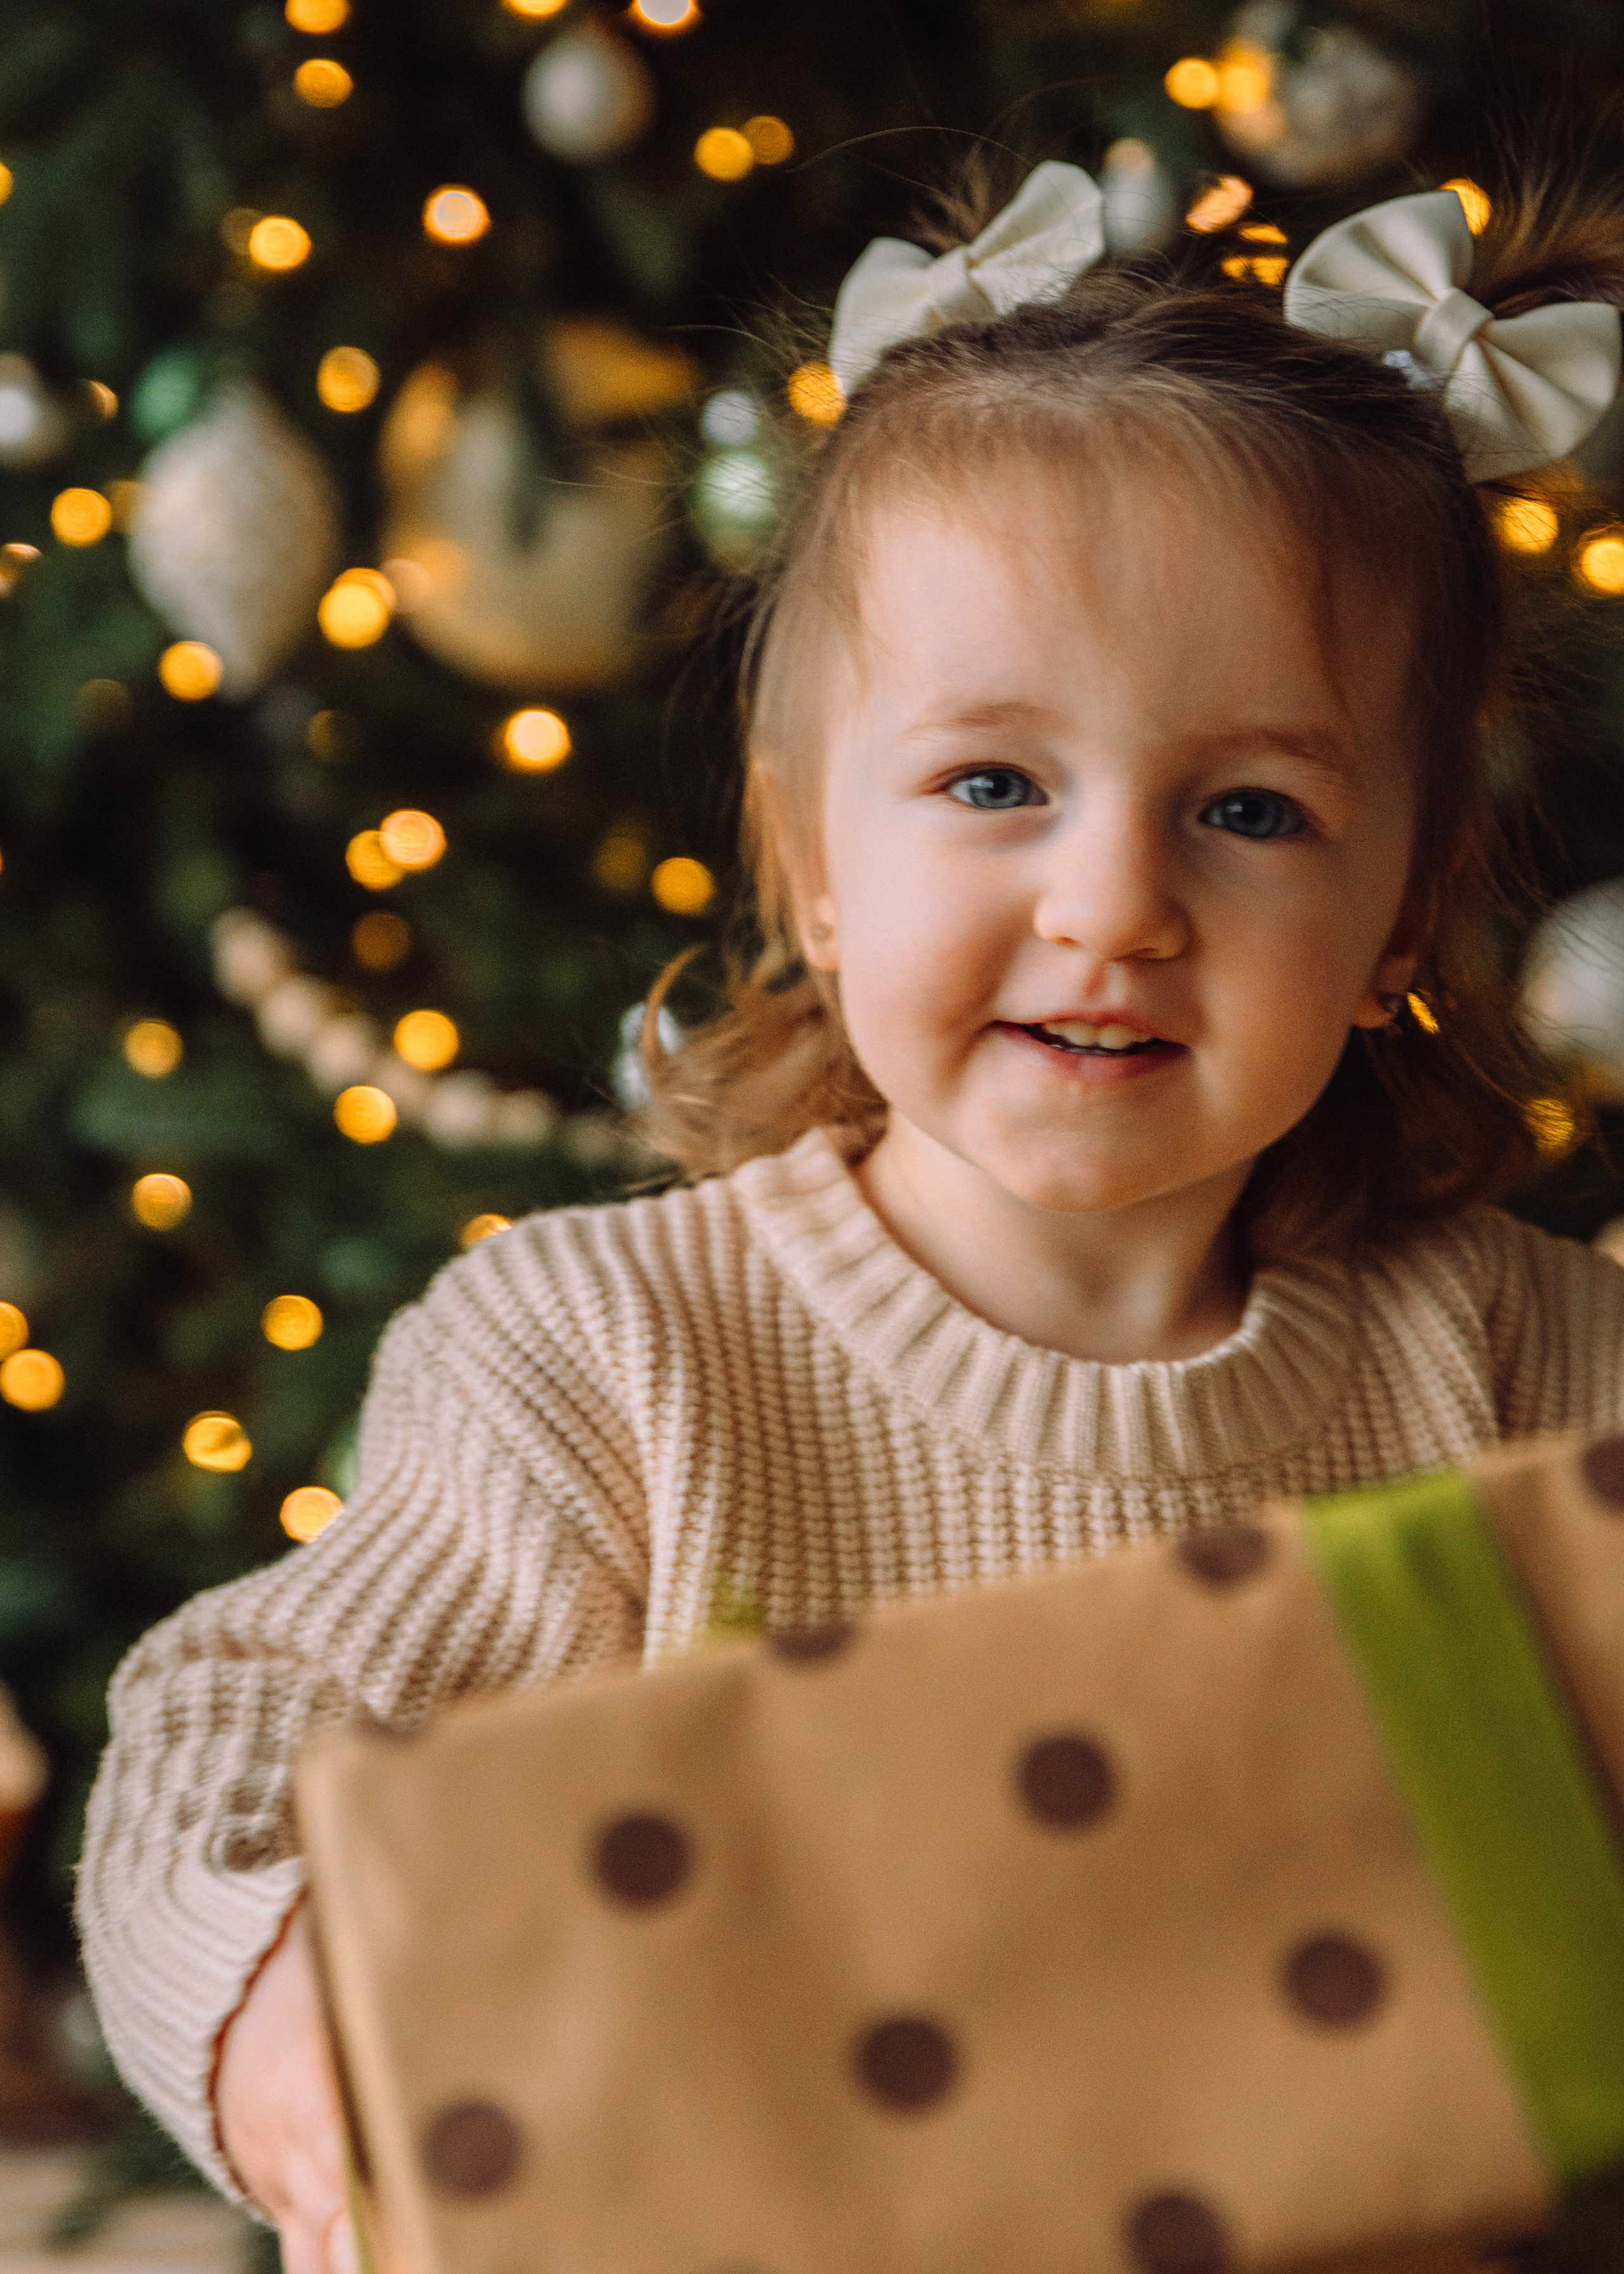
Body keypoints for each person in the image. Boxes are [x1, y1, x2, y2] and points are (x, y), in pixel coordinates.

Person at [78, 154, 1624, 2274]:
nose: (1112, 905)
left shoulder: (1536, 1366)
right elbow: (221, 1732)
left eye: (1252, 810)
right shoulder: (611, 1361)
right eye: (995, 783)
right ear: (812, 864)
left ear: (1401, 918)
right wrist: (290, 2031)